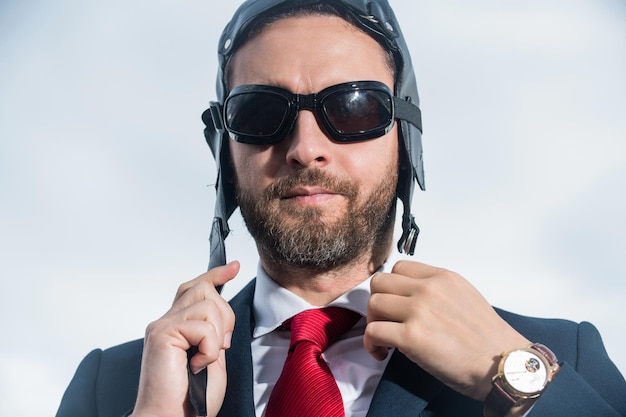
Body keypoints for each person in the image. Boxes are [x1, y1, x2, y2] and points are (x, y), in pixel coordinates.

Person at [56, 0, 626, 416]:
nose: (306, 149)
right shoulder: (114, 385)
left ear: (405, 142)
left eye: (353, 109)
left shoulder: (558, 358)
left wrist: (517, 379)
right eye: (260, 113)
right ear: (225, 153)